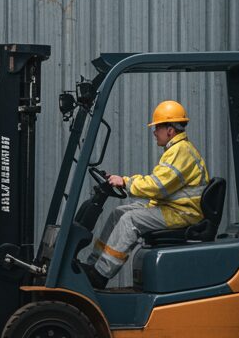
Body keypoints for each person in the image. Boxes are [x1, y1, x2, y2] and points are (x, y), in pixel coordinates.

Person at [82, 100, 210, 290]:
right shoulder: (176, 150)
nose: (154, 132)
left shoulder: (180, 151)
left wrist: (125, 182)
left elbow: (158, 186)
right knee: (119, 213)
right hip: (171, 207)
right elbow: (159, 184)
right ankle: (93, 265)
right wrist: (123, 182)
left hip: (183, 213)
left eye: (157, 127)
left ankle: (100, 275)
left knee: (130, 220)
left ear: (170, 129)